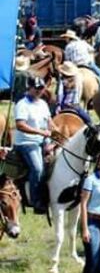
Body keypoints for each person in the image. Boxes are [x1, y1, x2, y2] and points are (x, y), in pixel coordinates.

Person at [13, 77, 54, 214]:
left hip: (43, 140)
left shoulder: (43, 103)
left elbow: (49, 121)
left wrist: (55, 132)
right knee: (37, 169)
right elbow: (20, 125)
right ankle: (36, 201)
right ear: (29, 88)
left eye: (41, 88)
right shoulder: (22, 104)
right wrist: (40, 132)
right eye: (36, 88)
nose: (39, 91)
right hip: (26, 142)